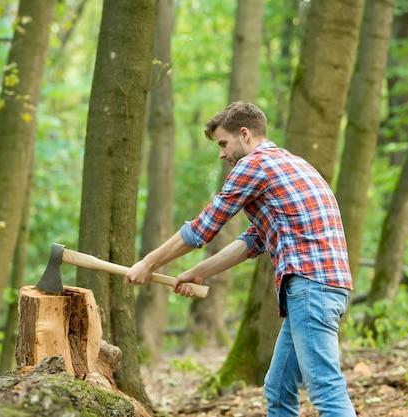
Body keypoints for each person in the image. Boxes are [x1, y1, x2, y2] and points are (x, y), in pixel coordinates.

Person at [127, 102, 356, 417]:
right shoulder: (290, 163)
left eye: (223, 143)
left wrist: (148, 263)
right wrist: (198, 272)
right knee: (277, 390)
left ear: (245, 134)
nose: (221, 153)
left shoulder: (254, 165)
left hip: (310, 287)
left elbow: (202, 229)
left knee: (326, 391)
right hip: (322, 287)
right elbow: (254, 240)